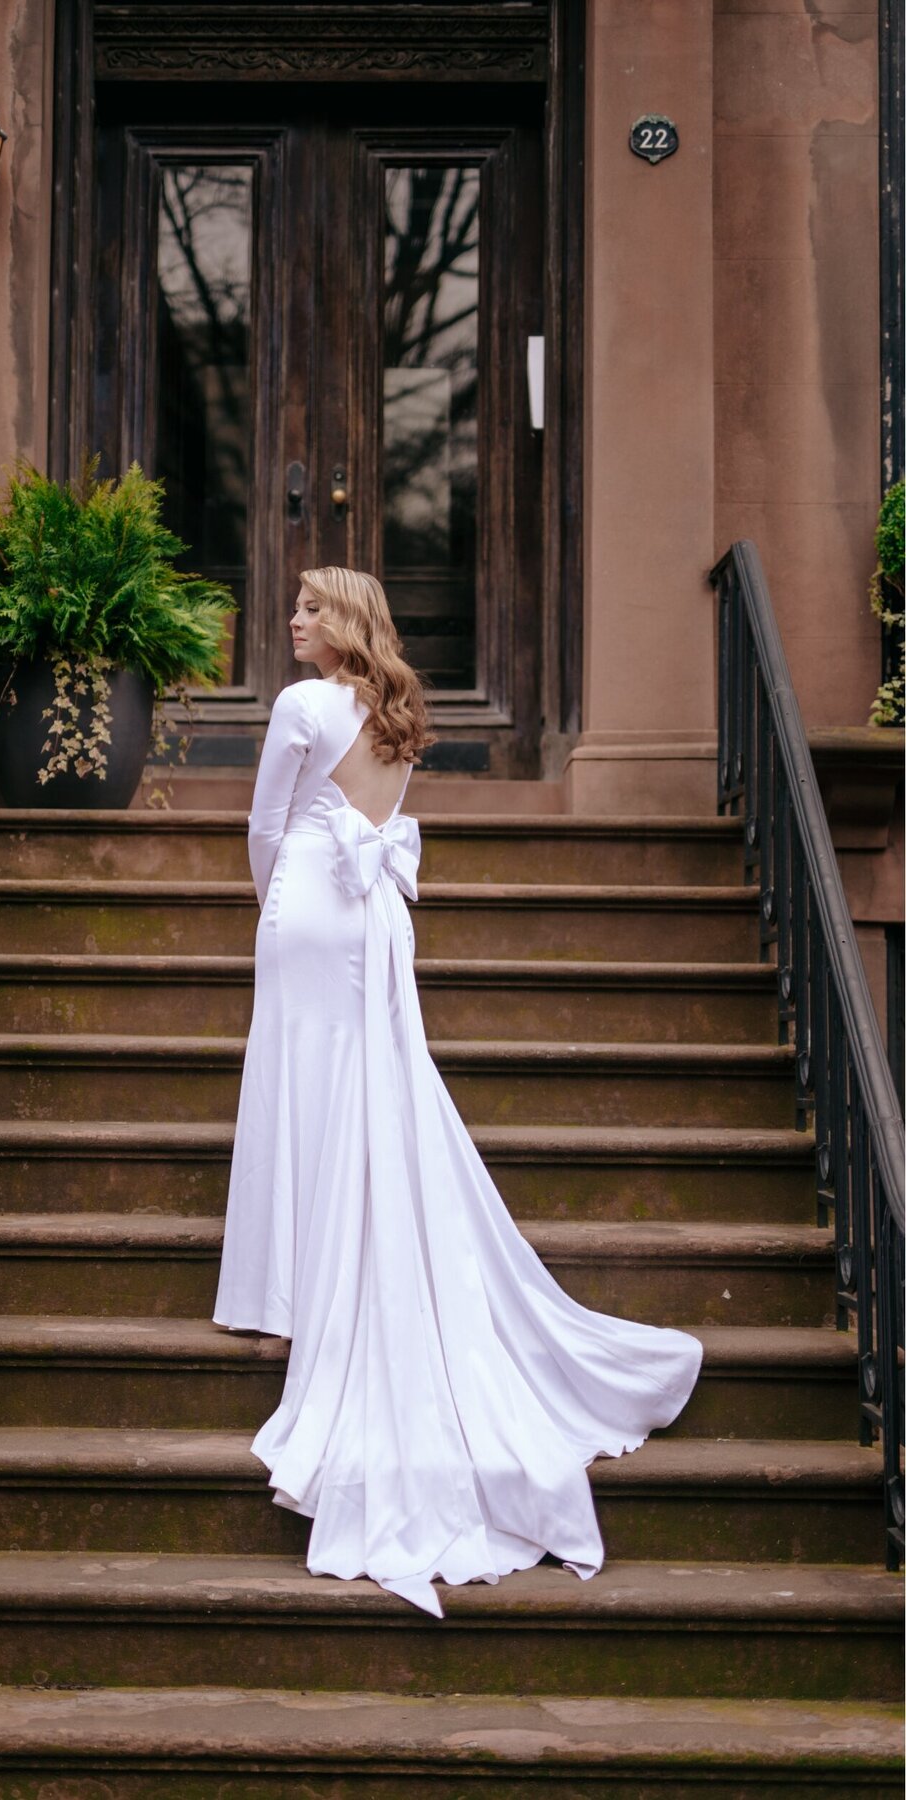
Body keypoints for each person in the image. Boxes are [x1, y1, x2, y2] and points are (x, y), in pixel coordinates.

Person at [213, 565, 702, 1617]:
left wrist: (277, 901)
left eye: (307, 608)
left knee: (298, 1090)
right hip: (378, 914)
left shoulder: (303, 704)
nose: (291, 621)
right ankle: (320, 1279)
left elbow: (264, 829)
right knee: (369, 1093)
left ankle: (288, 1294)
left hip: (310, 901)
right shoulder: (393, 709)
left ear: (342, 622)